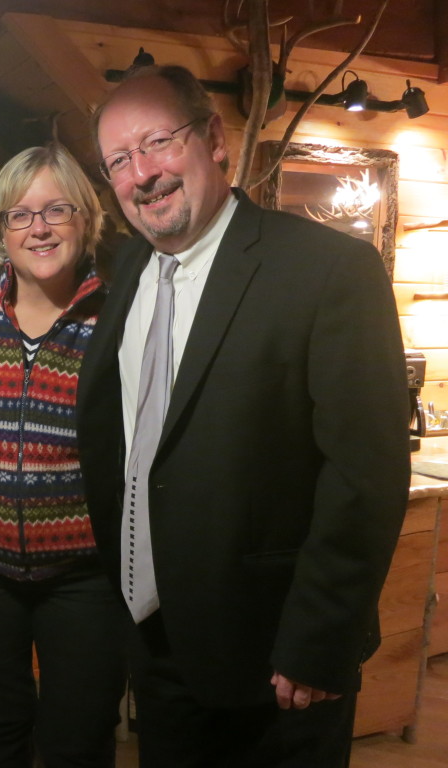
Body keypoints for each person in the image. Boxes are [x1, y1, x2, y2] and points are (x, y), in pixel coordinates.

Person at [77, 64, 411, 767]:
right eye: (118, 161)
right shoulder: (131, 272)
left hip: (277, 658)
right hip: (158, 643)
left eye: (157, 142)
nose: (142, 173)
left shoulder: (326, 270)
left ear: (215, 140)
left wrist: (320, 642)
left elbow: (366, 473)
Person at [0, 143, 127, 768]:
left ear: (86, 220)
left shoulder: (121, 310)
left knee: (79, 736)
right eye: (19, 214)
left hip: (87, 575)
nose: (38, 227)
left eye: (56, 210)